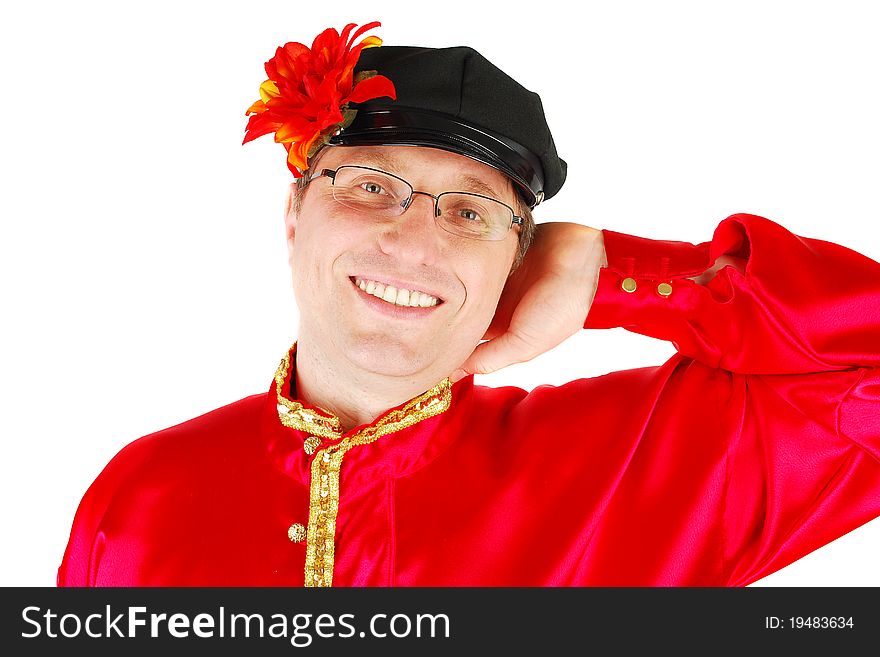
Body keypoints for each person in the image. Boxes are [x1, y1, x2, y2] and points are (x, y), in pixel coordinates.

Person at [58, 22, 880, 587]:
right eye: (372, 186)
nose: (415, 244)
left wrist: (618, 273)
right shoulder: (139, 496)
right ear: (293, 214)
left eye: (470, 212)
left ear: (519, 262)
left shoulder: (655, 467)